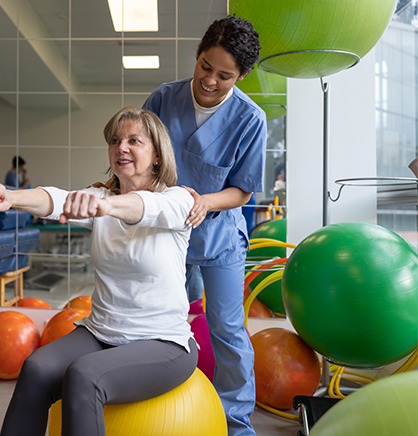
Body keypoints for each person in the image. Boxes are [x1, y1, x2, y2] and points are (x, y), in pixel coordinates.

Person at [0, 107, 198, 436]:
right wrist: (10, 196)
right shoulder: (100, 197)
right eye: (115, 140)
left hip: (163, 342)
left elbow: (144, 208)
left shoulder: (178, 199)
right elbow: (54, 198)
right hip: (101, 333)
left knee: (85, 375)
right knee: (36, 368)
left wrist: (105, 207)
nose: (121, 147)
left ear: (156, 156)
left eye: (134, 140)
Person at [143, 15, 266, 436]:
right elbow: (141, 161)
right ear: (197, 55)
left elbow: (243, 191)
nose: (210, 81)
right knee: (161, 318)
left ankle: (236, 422)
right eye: (205, 67)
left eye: (225, 76)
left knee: (227, 327)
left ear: (242, 75)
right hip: (166, 237)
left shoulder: (251, 119)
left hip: (218, 240)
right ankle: (157, 401)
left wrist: (204, 202)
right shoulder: (163, 98)